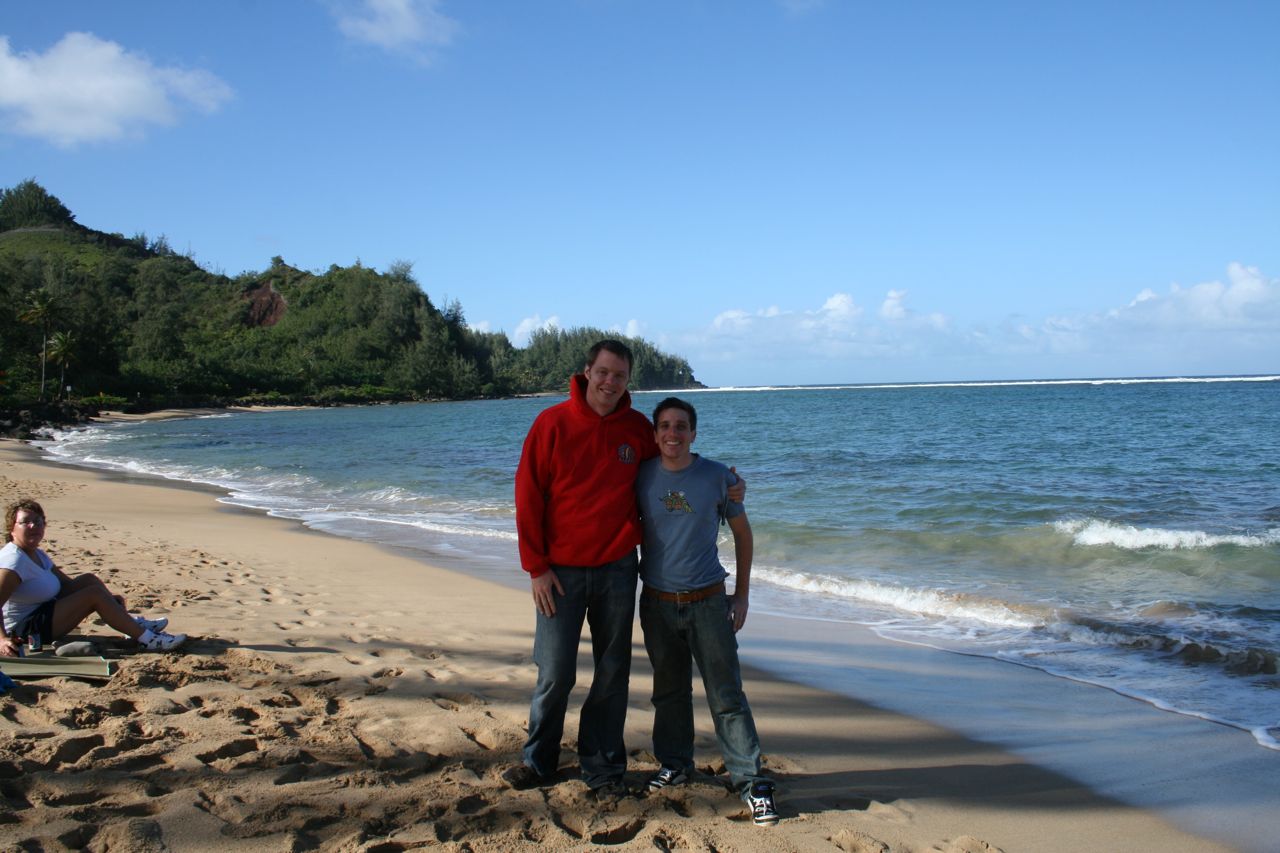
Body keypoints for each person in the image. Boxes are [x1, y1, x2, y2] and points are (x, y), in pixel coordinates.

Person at [506, 340, 743, 799]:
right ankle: (538, 762)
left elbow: (676, 465)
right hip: (559, 572)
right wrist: (535, 567)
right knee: (555, 671)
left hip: (618, 569)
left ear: (627, 381)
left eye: (619, 376)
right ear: (587, 372)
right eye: (604, 373)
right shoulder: (550, 423)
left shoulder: (636, 429)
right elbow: (527, 496)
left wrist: (728, 482)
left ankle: (603, 768)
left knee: (612, 672)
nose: (610, 382)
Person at [635, 397, 778, 826]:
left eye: (681, 426)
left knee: (726, 695)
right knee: (669, 692)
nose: (672, 434)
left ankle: (751, 782)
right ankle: (675, 764)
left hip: (709, 602)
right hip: (657, 604)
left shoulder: (719, 476)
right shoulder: (640, 475)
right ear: (655, 433)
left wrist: (743, 595)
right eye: (664, 426)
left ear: (694, 433)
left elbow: (743, 534)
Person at [1, 498, 186, 656]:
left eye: (39, 521)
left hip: (42, 611)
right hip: (24, 630)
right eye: (26, 522)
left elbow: (66, 584)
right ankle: (148, 640)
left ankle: (129, 623)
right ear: (12, 528)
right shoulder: (14, 561)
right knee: (93, 595)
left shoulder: (35, 553)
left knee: (89, 581)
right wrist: (2, 639)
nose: (34, 526)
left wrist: (110, 602)